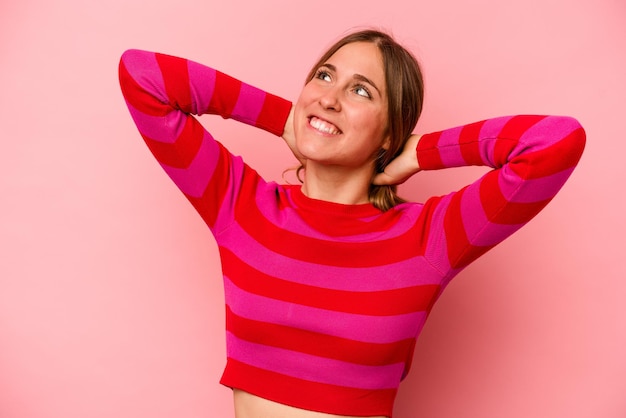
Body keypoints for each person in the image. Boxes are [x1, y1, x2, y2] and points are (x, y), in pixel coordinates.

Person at [118, 29, 585, 418]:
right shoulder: (240, 206)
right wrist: (290, 118)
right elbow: (143, 76)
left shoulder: (428, 238)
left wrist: (419, 153)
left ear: (389, 133)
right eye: (324, 77)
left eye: (361, 90)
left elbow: (553, 144)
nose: (329, 98)